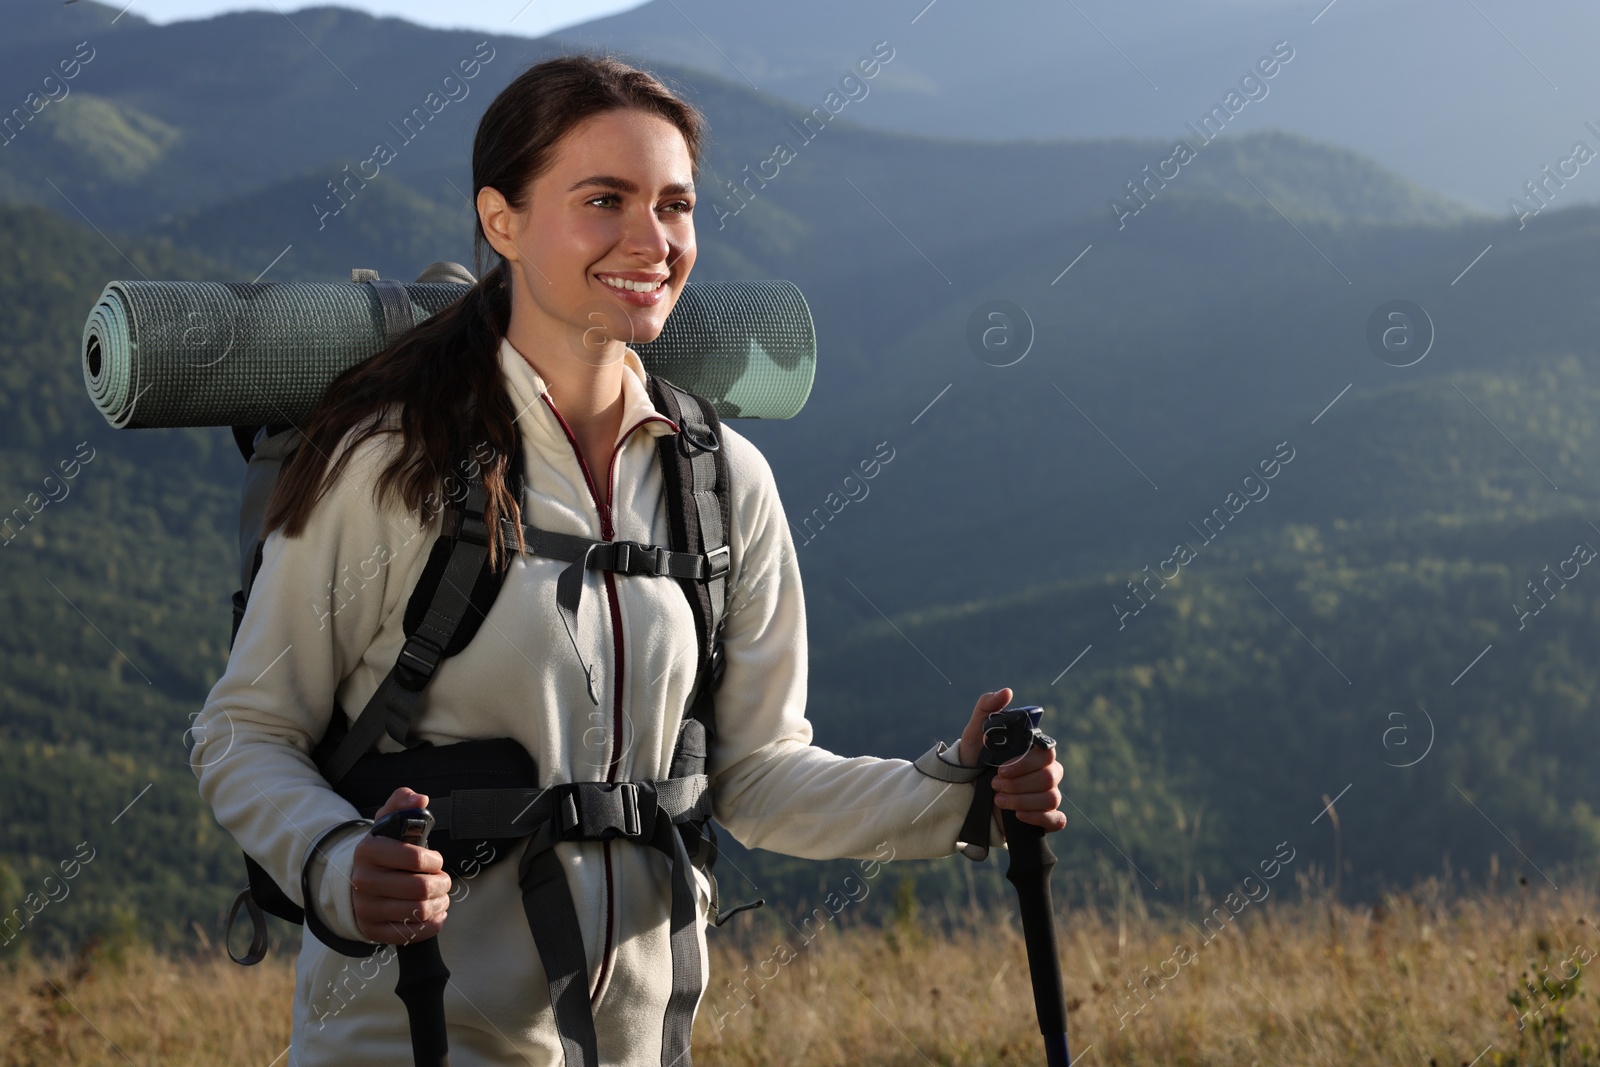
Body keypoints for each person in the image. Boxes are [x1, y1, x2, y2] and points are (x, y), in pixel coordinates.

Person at [189, 52, 1064, 1067]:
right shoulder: (391, 465)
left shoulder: (723, 480)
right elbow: (244, 729)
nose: (652, 241)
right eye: (604, 200)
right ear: (502, 220)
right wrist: (335, 860)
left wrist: (955, 792)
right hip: (412, 1035)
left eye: (676, 205)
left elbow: (756, 773)